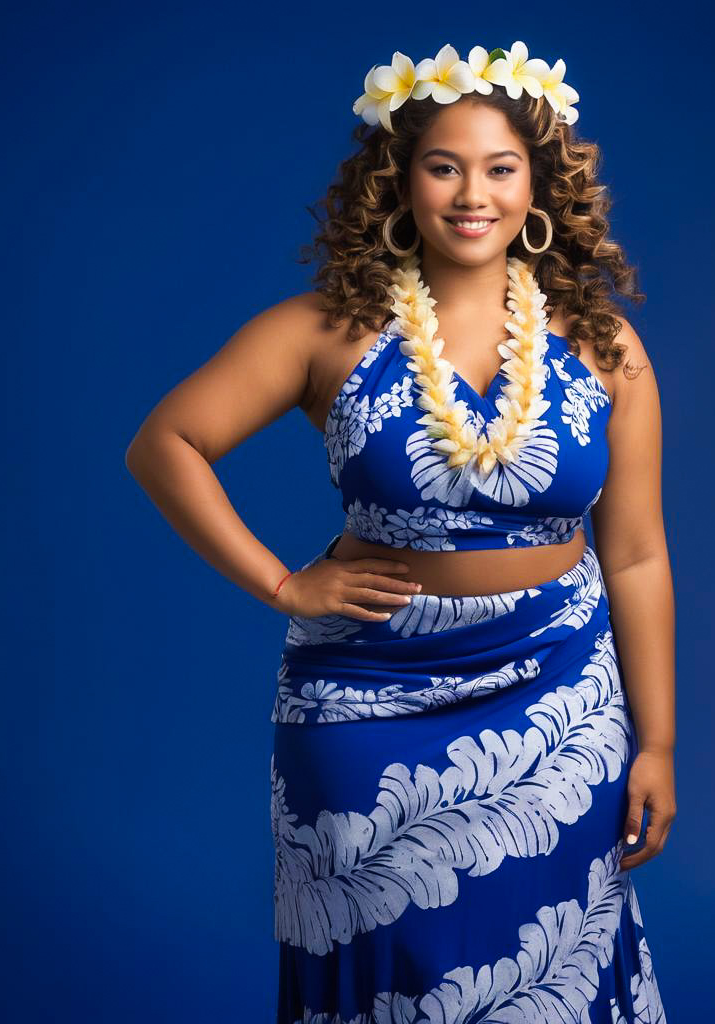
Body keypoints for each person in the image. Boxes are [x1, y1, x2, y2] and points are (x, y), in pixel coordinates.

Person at [126, 40, 675, 1024]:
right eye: (444, 164)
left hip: (560, 695)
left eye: (500, 168)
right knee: (388, 973)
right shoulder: (324, 332)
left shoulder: (603, 344)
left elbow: (635, 552)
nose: (474, 193)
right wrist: (284, 585)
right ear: (400, 178)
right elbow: (165, 442)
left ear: (535, 184)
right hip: (366, 700)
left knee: (548, 969)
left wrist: (658, 740)